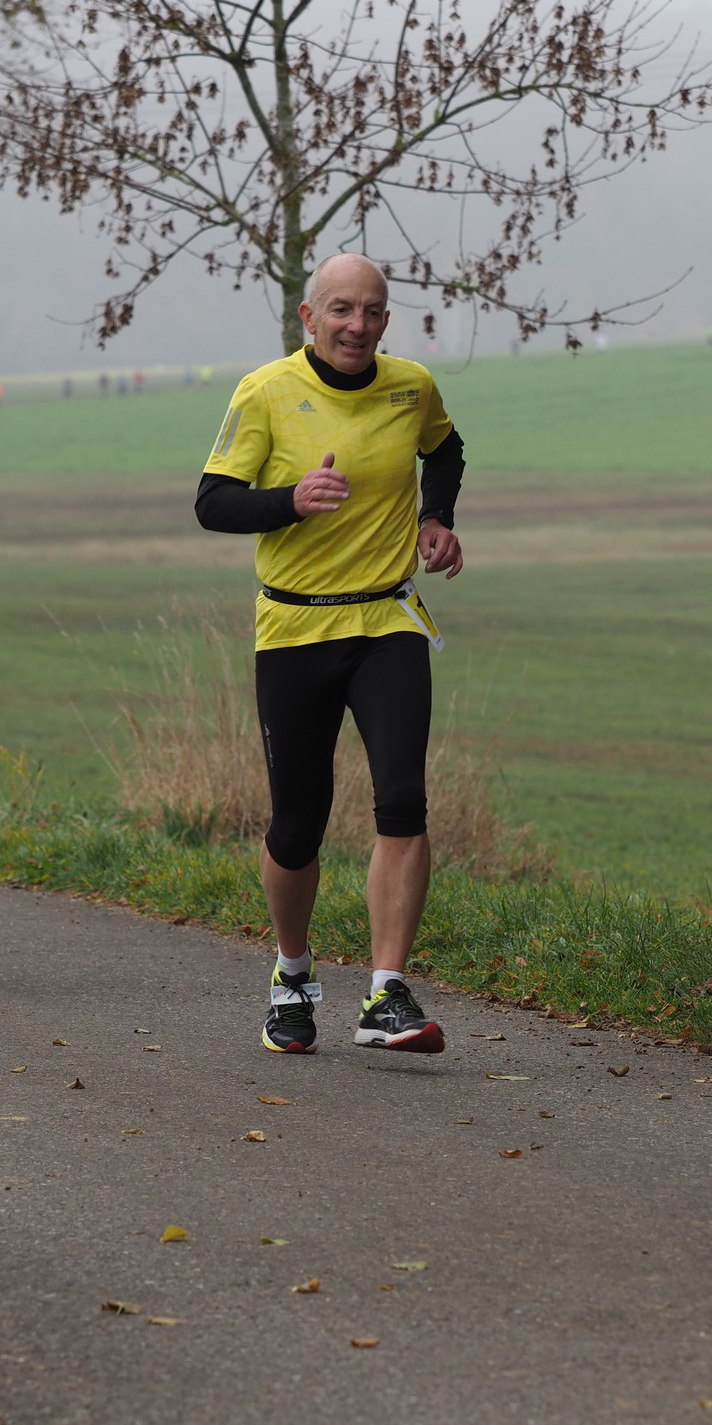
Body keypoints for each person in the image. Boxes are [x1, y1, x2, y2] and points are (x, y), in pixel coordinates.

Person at [194, 252, 467, 1055]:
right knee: (297, 825)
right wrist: (291, 500)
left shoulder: (411, 386)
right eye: (342, 310)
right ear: (310, 317)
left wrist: (437, 517)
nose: (359, 325)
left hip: (386, 620)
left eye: (373, 311)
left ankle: (386, 993)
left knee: (403, 800)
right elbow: (213, 503)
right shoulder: (265, 391)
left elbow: (446, 449)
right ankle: (292, 975)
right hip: (295, 629)